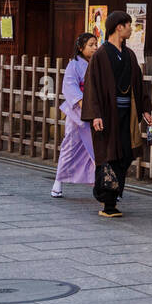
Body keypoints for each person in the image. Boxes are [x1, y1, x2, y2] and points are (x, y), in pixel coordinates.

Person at [82, 9, 152, 218]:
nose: (131, 29)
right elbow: (92, 87)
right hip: (106, 115)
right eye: (129, 25)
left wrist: (145, 108)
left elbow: (138, 85)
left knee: (125, 153)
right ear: (118, 27)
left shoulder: (129, 55)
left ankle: (114, 193)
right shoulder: (101, 55)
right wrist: (95, 114)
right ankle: (108, 200)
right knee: (108, 155)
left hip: (127, 114)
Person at [51, 33, 97, 198]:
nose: (94, 48)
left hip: (94, 111)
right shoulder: (74, 65)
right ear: (80, 47)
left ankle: (100, 184)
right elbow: (70, 86)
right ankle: (58, 181)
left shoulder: (96, 64)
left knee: (94, 149)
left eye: (95, 44)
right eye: (91, 45)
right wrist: (82, 103)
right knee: (70, 146)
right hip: (78, 112)